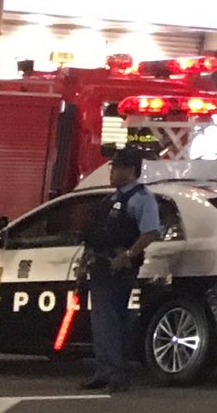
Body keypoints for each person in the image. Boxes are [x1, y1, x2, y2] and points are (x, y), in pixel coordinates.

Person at [80, 146, 162, 391]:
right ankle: (104, 370)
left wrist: (128, 255)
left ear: (129, 170)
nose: (111, 171)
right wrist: (85, 261)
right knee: (100, 320)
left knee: (112, 321)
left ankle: (117, 374)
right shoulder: (111, 199)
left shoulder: (142, 198)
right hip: (101, 265)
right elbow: (94, 234)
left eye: (115, 167)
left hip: (119, 268)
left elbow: (150, 232)